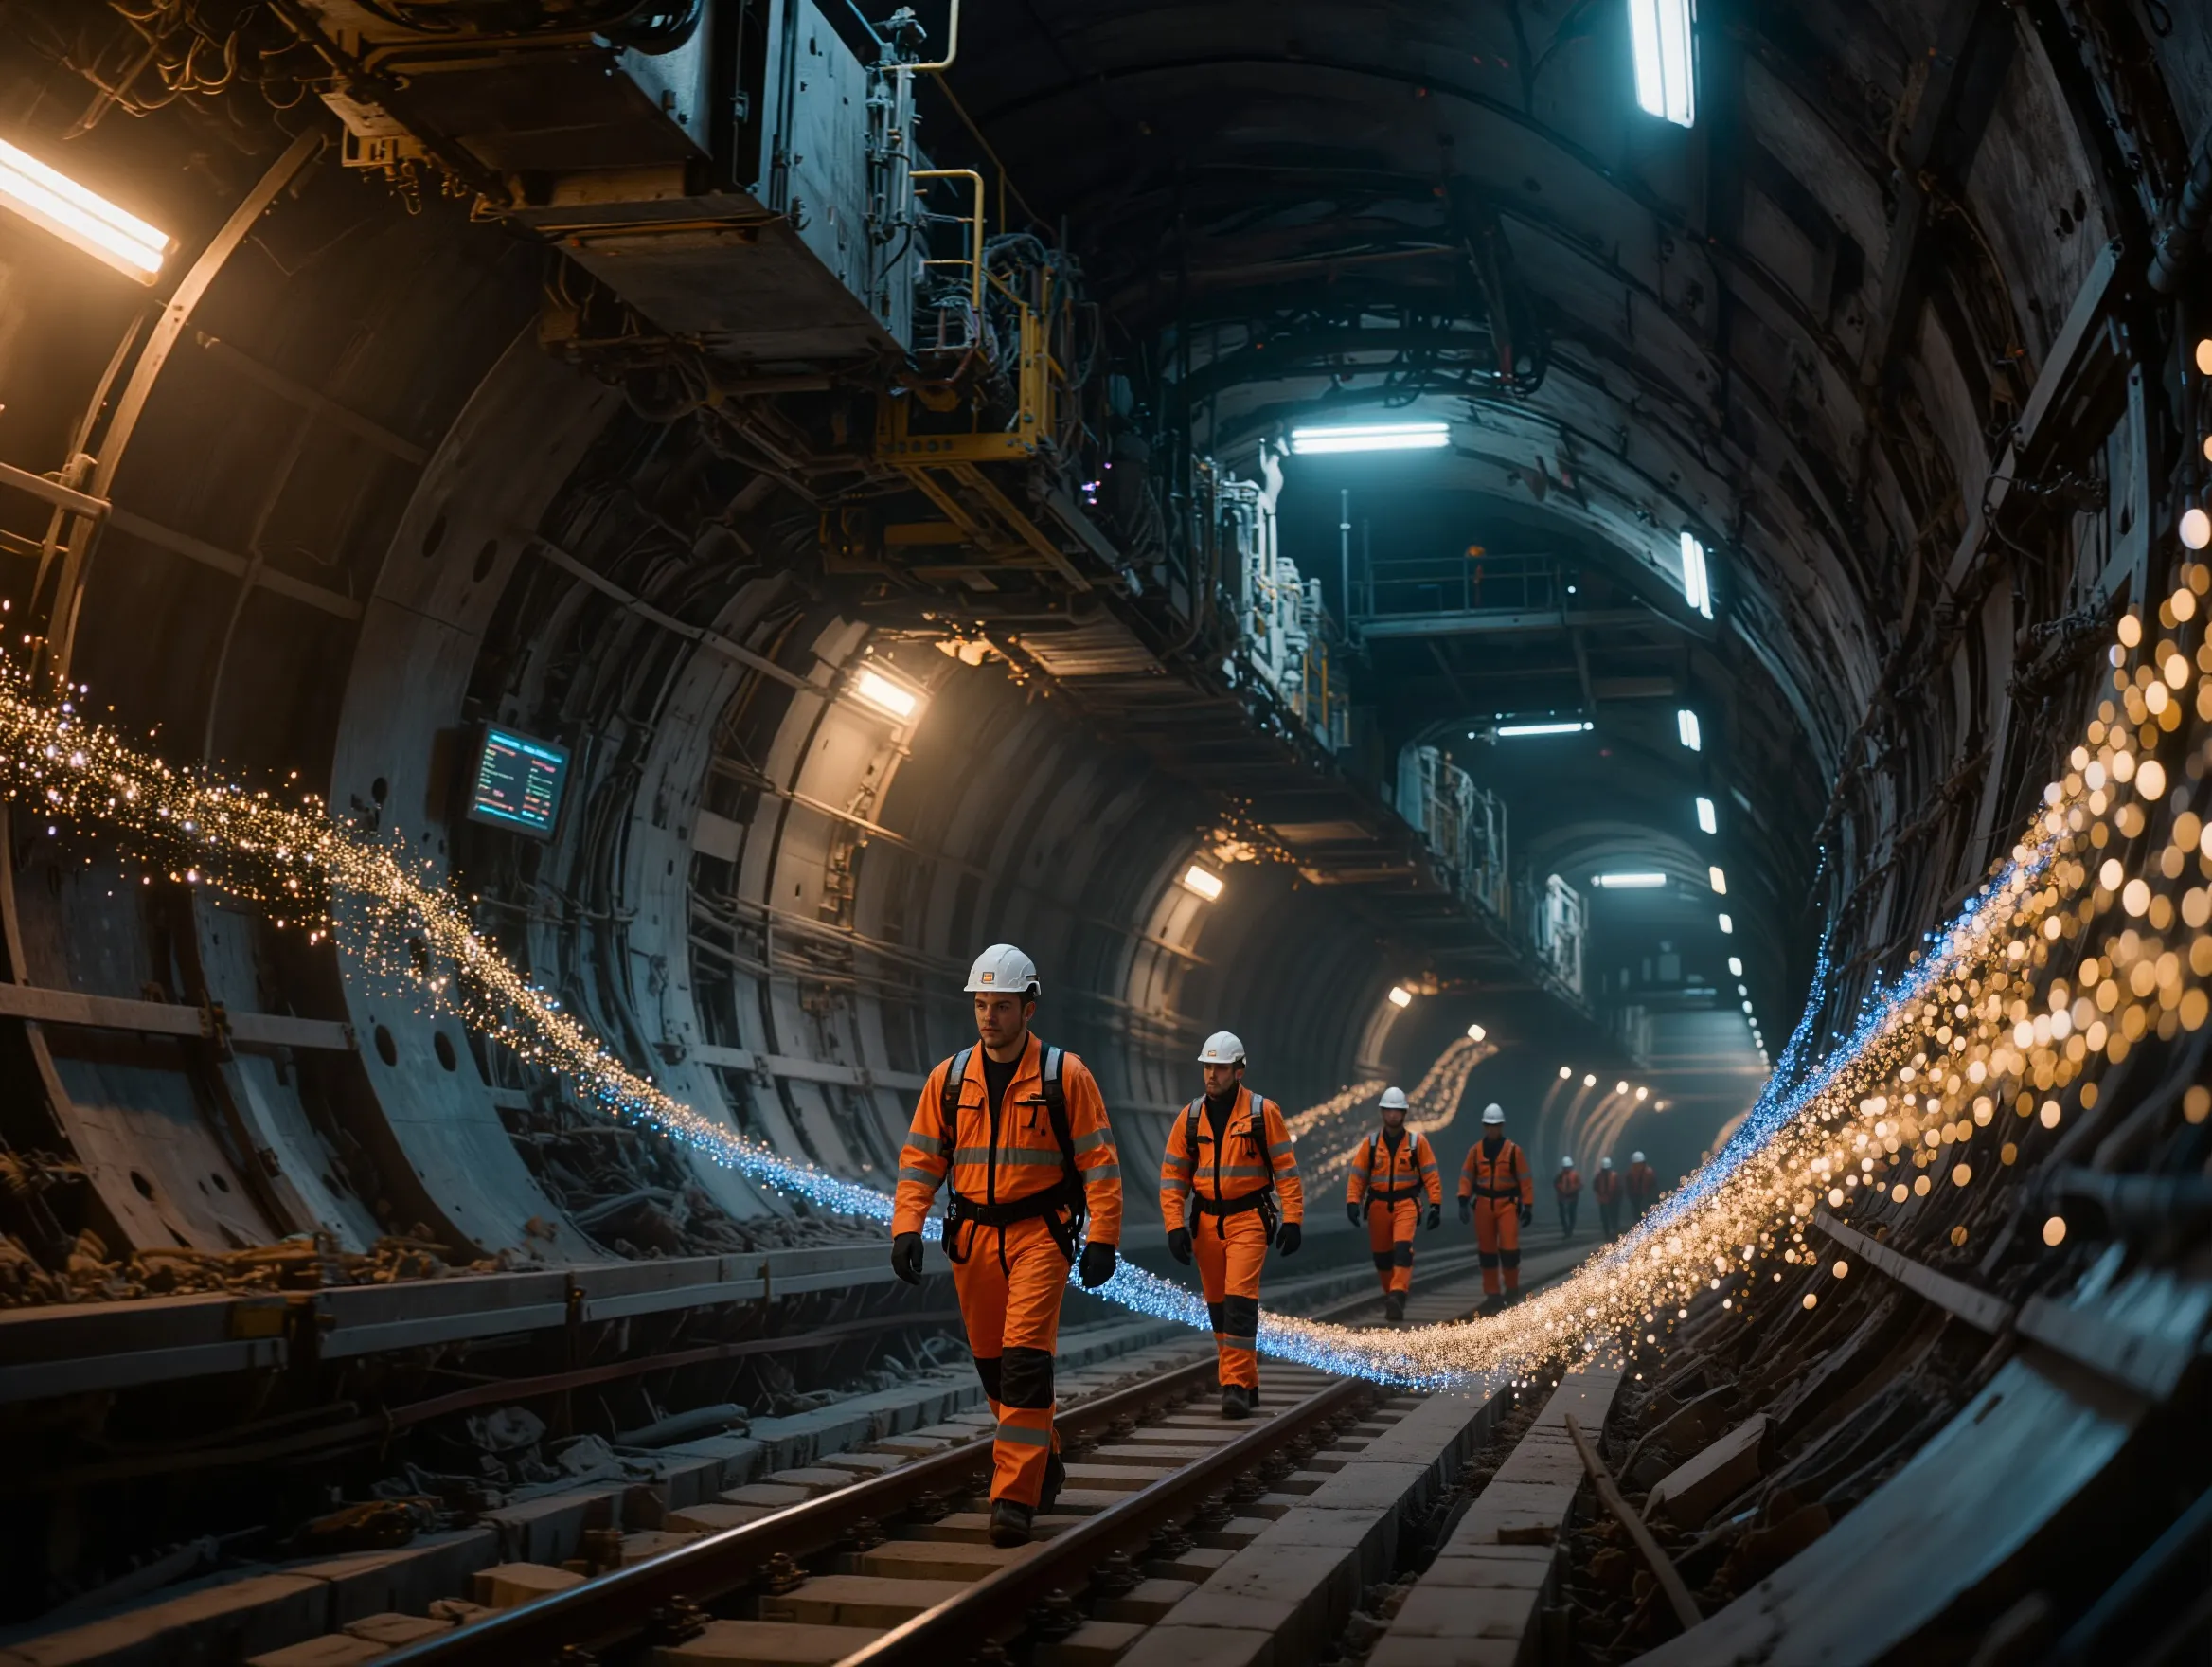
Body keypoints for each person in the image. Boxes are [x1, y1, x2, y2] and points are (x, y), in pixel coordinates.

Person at [890, 944, 1123, 1548]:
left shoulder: (1065, 1076)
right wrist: (906, 1227)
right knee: (994, 1367)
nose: (988, 1016)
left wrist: (1102, 1236)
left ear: (1029, 1008)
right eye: (981, 1004)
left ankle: (1013, 1499)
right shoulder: (948, 1079)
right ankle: (1042, 1457)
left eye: (1001, 1006)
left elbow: (1099, 1161)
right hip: (970, 1240)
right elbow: (920, 1161)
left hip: (1040, 1237)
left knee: (1024, 1361)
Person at [1160, 1031, 1304, 1418]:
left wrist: (1293, 1218)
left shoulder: (1262, 1113)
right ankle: (1247, 1379)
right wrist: (1174, 1226)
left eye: (1220, 1068)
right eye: (1207, 1067)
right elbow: (1173, 1177)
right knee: (1220, 1309)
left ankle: (1235, 1385)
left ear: (1238, 1071)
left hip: (1248, 1219)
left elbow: (1286, 1171)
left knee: (1240, 1302)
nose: (1211, 1075)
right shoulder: (1190, 1118)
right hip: (1205, 1222)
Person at [1346, 1086, 1441, 1322]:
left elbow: (1430, 1175)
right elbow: (1358, 1175)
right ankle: (1392, 1297)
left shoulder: (1417, 1142)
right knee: (1382, 1257)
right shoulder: (1370, 1144)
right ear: (1382, 1112)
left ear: (1404, 1113)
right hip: (1377, 1206)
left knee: (1402, 1250)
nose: (1392, 1115)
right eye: (1389, 1110)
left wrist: (1436, 1204)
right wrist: (1352, 1201)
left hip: (1406, 1204)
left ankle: (1398, 1293)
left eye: (1397, 1111)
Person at [1456, 1102, 1533, 1313]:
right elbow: (1466, 1177)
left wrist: (1527, 1206)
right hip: (1482, 1205)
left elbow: (1525, 1180)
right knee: (1487, 1253)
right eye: (1489, 1125)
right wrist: (1463, 1200)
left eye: (1496, 1125)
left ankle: (1511, 1289)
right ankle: (1492, 1293)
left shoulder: (1513, 1152)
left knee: (1509, 1250)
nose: (1492, 1129)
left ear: (1502, 1126)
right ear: (1484, 1126)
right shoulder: (1475, 1152)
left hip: (1507, 1204)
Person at [1593, 1155, 1623, 1239]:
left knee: (1613, 1216)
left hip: (1613, 1200)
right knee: (1605, 1217)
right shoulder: (1599, 1177)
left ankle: (1614, 1230)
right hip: (1604, 1200)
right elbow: (1595, 1187)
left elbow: (1619, 1188)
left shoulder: (1614, 1176)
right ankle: (1607, 1232)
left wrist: (1616, 1198)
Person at [1626, 1150, 1658, 1223]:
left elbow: (1654, 1189)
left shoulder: (1649, 1174)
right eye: (1636, 1165)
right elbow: (1629, 1188)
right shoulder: (1630, 1175)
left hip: (1647, 1200)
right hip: (1636, 1199)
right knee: (1638, 1217)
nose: (1638, 1167)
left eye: (1639, 1164)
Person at [1555, 1154, 1582, 1238]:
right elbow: (1556, 1184)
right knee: (1562, 1215)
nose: (1566, 1169)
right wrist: (1562, 1191)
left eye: (1567, 1167)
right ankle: (1566, 1230)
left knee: (1571, 1215)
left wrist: (1572, 1191)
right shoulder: (1559, 1176)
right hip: (1562, 1198)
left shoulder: (1575, 1175)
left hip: (1573, 1198)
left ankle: (1570, 1230)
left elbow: (1580, 1185)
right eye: (1565, 1167)